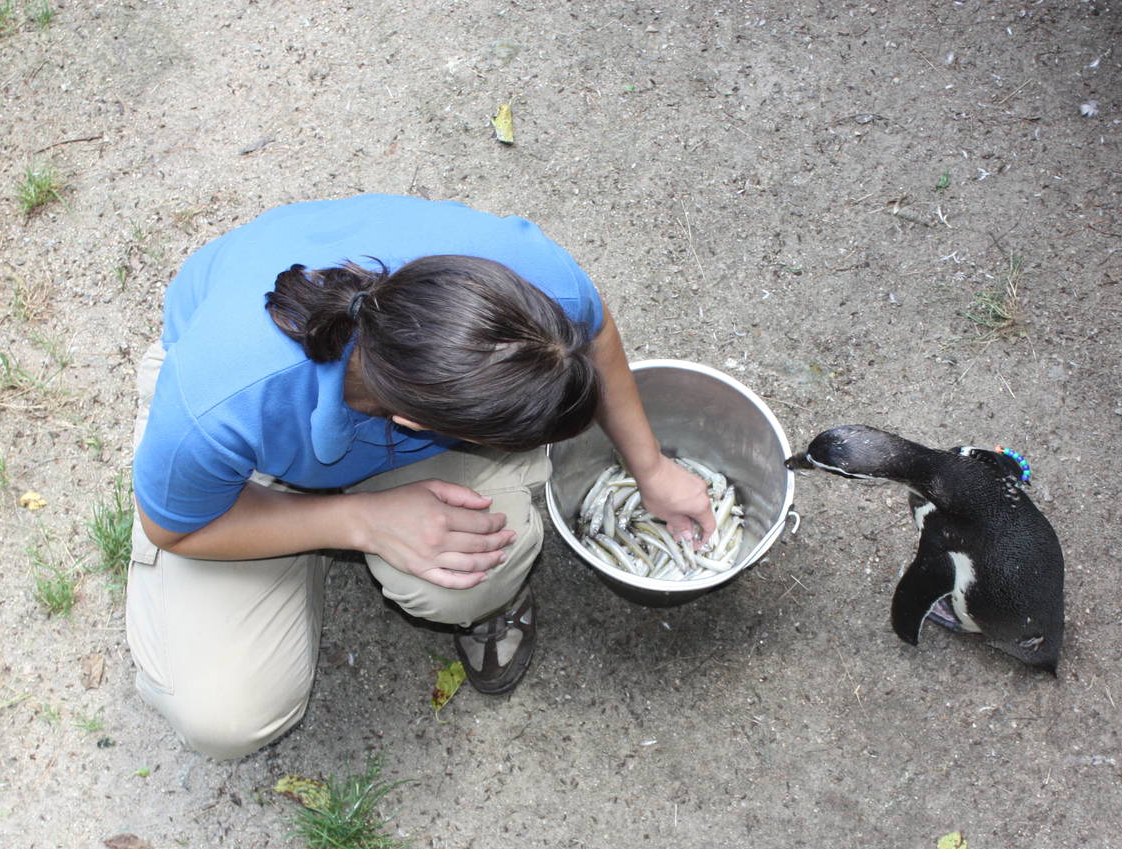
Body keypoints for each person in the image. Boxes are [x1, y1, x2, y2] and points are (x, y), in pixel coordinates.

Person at [127, 194, 714, 760]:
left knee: (467, 576)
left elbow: (593, 331)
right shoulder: (216, 404)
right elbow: (174, 530)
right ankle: (290, 523)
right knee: (226, 717)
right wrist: (358, 521)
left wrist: (651, 466)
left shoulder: (528, 292)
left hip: (364, 404)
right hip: (246, 458)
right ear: (412, 424)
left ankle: (306, 540)